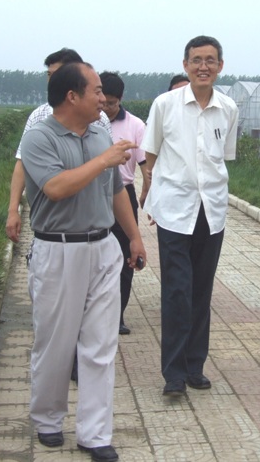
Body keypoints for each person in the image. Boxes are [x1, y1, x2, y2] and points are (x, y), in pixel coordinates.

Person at [20, 62, 146, 461]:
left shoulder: (99, 135)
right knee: (55, 343)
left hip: (103, 247)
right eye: (96, 91)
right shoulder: (39, 138)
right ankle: (48, 419)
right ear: (71, 96)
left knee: (100, 345)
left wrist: (134, 237)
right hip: (58, 251)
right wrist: (103, 160)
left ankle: (95, 434)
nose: (103, 98)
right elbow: (56, 187)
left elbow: (115, 191)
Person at [142, 35, 238, 397]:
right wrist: (150, 195)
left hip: (211, 211)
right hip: (174, 210)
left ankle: (195, 365)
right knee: (177, 291)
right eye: (196, 60)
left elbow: (222, 157)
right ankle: (174, 374)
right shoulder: (165, 104)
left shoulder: (228, 108)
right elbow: (150, 154)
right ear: (185, 65)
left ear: (220, 66)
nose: (203, 66)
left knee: (201, 290)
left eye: (210, 60)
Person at [5, 48, 112, 243]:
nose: (51, 80)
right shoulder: (38, 118)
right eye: (49, 75)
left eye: (57, 74)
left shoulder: (100, 120)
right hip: (55, 233)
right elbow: (22, 164)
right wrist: (13, 210)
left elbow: (110, 174)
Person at [100, 71, 149, 335]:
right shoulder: (89, 122)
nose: (106, 108)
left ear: (120, 99)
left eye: (112, 103)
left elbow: (145, 165)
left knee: (126, 254)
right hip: (94, 193)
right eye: (103, 101)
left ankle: (117, 315)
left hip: (124, 193)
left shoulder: (135, 125)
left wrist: (147, 192)